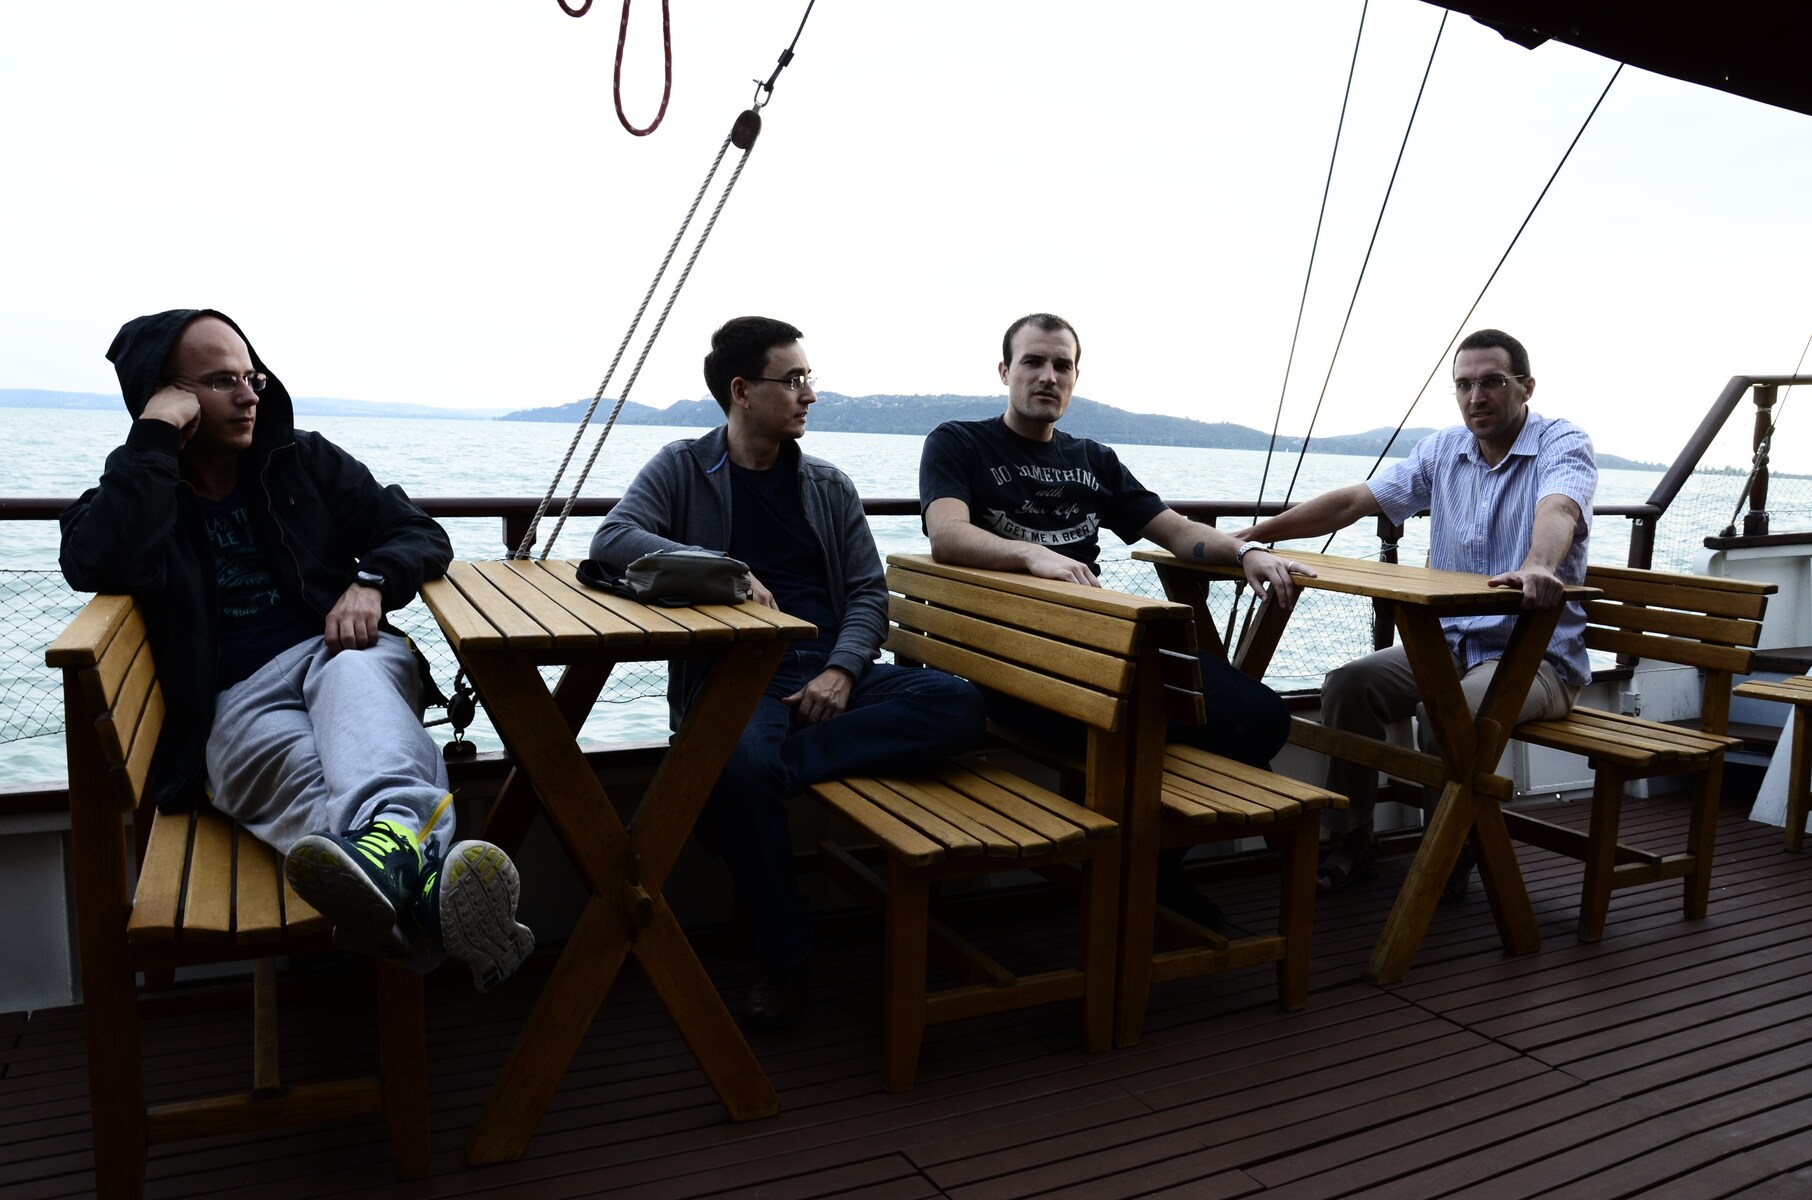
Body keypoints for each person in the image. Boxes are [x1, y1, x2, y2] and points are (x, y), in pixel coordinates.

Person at [60, 309, 533, 991]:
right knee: (322, 810)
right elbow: (96, 559)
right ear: (168, 396)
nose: (250, 395)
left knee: (360, 695)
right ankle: (426, 897)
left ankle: (399, 863)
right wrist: (155, 438)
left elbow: (418, 533)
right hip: (234, 702)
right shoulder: (138, 492)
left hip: (340, 652)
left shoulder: (302, 461)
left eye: (251, 377)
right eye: (222, 381)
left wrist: (372, 583)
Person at [590, 315, 987, 1031]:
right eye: (794, 379)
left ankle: (769, 771)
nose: (809, 394)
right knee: (743, 763)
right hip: (744, 675)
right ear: (742, 391)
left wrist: (842, 672)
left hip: (830, 666)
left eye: (810, 378)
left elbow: (867, 594)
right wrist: (728, 571)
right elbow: (613, 538)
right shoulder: (682, 467)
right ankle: (786, 956)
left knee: (958, 705)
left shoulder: (828, 485)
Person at [919, 312, 1313, 933]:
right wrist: (1031, 555)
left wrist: (1246, 552)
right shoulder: (959, 443)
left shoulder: (1094, 460)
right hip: (1012, 664)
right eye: (1033, 362)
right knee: (1171, 727)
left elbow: (1174, 530)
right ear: (1004, 371)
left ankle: (1152, 868)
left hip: (1105, 653)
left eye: (1062, 365)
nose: (1048, 376)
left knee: (1262, 719)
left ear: (1075, 378)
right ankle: (1141, 877)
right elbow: (945, 534)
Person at [1237, 328, 1596, 901]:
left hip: (1536, 659)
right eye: (1464, 385)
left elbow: (1559, 506)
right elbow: (1357, 500)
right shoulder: (1443, 450)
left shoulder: (1562, 442)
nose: (1476, 396)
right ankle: (1353, 839)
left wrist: (1537, 565)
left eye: (1492, 382)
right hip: (1446, 646)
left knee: (1444, 714)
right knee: (1348, 686)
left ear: (1526, 387)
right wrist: (1256, 537)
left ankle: (1445, 853)